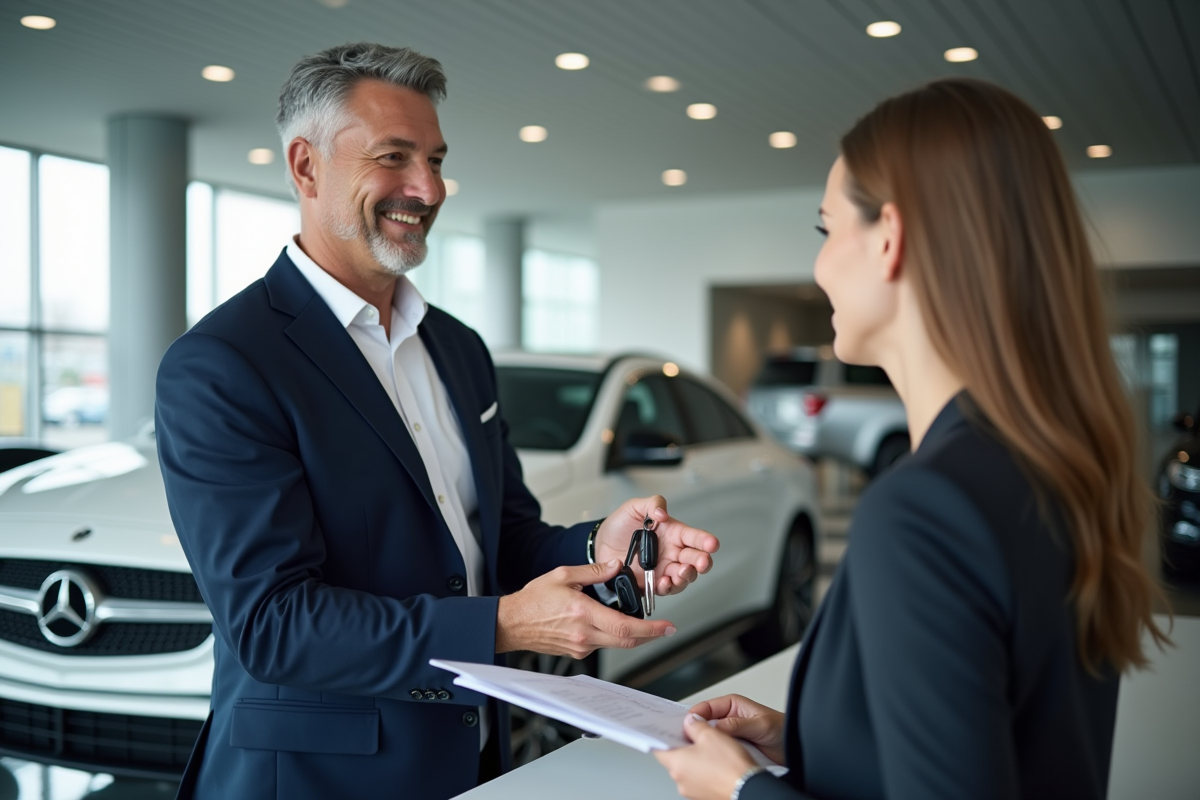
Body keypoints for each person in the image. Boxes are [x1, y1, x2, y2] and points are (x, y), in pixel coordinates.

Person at [155, 43, 719, 800]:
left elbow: (499, 539)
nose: (428, 187)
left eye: (436, 159)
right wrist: (503, 627)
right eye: (394, 157)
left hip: (470, 760)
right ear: (305, 166)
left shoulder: (457, 348)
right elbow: (274, 624)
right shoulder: (224, 363)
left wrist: (600, 546)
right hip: (311, 778)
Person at [654, 77, 1171, 800]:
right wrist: (804, 738)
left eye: (826, 230)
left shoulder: (927, 507)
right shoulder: (1053, 468)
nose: (821, 264)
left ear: (890, 238)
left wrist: (742, 791)